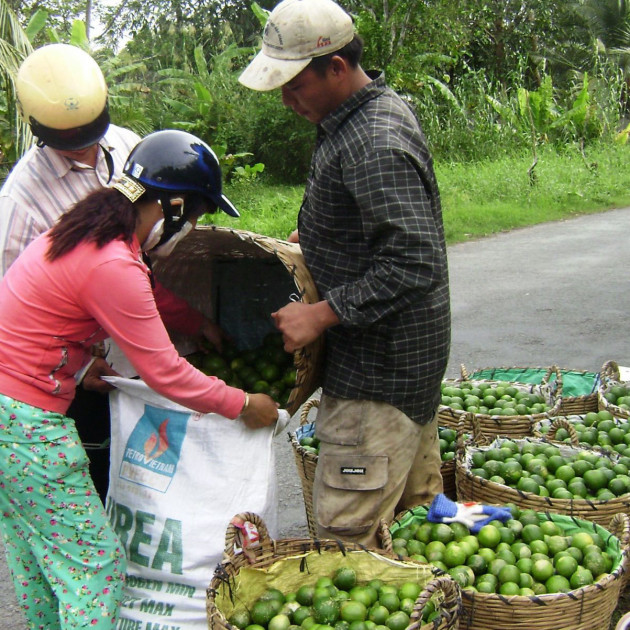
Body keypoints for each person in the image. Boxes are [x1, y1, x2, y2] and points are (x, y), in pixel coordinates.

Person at [0, 128, 280, 629]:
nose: (191, 227)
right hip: (24, 427)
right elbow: (167, 374)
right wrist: (242, 403)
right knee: (96, 568)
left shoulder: (92, 227)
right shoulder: (111, 260)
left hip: (7, 411)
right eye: (194, 217)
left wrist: (199, 325)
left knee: (40, 559)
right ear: (173, 206)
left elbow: (134, 294)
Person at [239, 0, 451, 547]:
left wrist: (322, 313)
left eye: (295, 85)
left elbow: (413, 260)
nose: (286, 100)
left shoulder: (374, 141)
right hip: (403, 371)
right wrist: (319, 236)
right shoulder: (352, 118)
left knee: (345, 544)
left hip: (378, 381)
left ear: (336, 66)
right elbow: (376, 223)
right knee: (416, 529)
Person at [0, 43, 224, 499]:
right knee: (92, 491)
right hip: (50, 386)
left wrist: (193, 321)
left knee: (139, 478)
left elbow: (133, 280)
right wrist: (242, 404)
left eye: (91, 133)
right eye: (69, 142)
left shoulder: (131, 148)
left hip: (97, 361)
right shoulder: (21, 202)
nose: (85, 149)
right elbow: (18, 309)